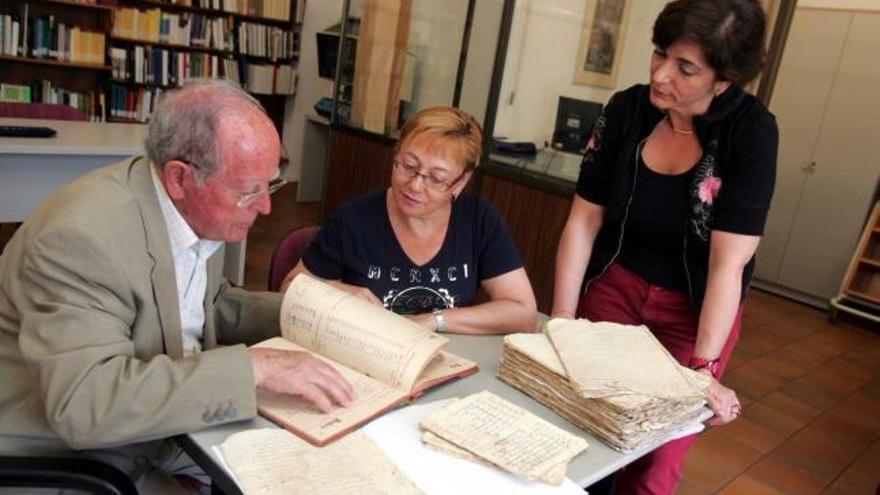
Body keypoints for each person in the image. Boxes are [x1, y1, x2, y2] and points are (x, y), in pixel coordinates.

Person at [0, 80, 354, 493]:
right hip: (76, 458)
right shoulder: (82, 240)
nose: (266, 207)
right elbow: (86, 406)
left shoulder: (189, 208)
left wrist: (316, 313)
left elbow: (206, 304)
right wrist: (254, 369)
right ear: (179, 177)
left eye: (270, 183)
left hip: (158, 427)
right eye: (248, 191)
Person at [551, 0, 777, 493]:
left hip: (691, 314)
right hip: (615, 288)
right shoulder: (627, 109)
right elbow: (583, 221)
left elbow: (727, 265)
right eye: (659, 53)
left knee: (655, 461)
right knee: (586, 433)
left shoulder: (751, 132)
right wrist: (563, 323)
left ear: (725, 78)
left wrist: (702, 370)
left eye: (685, 67)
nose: (660, 74)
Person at [283, 106, 537, 334]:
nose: (414, 185)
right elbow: (290, 288)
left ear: (461, 182)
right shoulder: (353, 219)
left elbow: (523, 313)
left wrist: (433, 320)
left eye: (436, 179)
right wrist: (341, 293)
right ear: (396, 153)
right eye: (407, 165)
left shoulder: (478, 220)